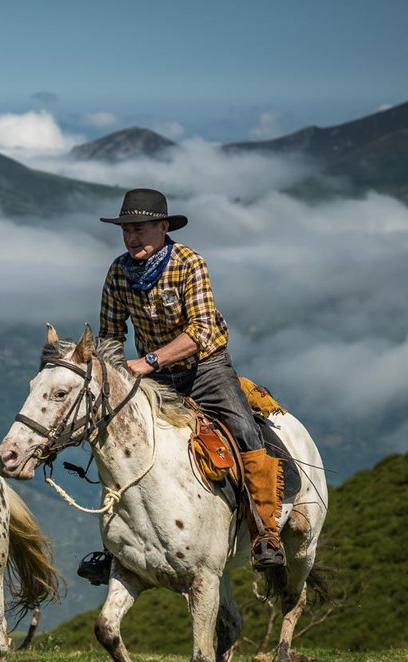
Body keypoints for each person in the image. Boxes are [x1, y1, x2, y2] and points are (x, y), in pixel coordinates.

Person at [81, 188, 286, 582]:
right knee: (118, 441)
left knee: (244, 431)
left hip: (205, 368)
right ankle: (117, 544)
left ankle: (266, 533)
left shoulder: (189, 263)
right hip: (153, 375)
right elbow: (110, 334)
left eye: (139, 229)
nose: (131, 238)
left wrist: (148, 361)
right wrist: (111, 374)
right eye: (126, 231)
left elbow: (202, 330)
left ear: (163, 228)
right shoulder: (118, 272)